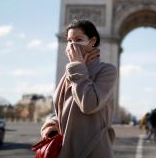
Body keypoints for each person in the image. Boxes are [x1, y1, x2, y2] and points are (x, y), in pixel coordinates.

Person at [40, 19, 117, 158]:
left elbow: (88, 104)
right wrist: (52, 125)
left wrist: (77, 66)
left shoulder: (107, 71)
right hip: (65, 150)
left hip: (93, 151)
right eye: (69, 40)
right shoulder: (69, 73)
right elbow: (63, 111)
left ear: (92, 41)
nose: (72, 45)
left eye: (78, 39)